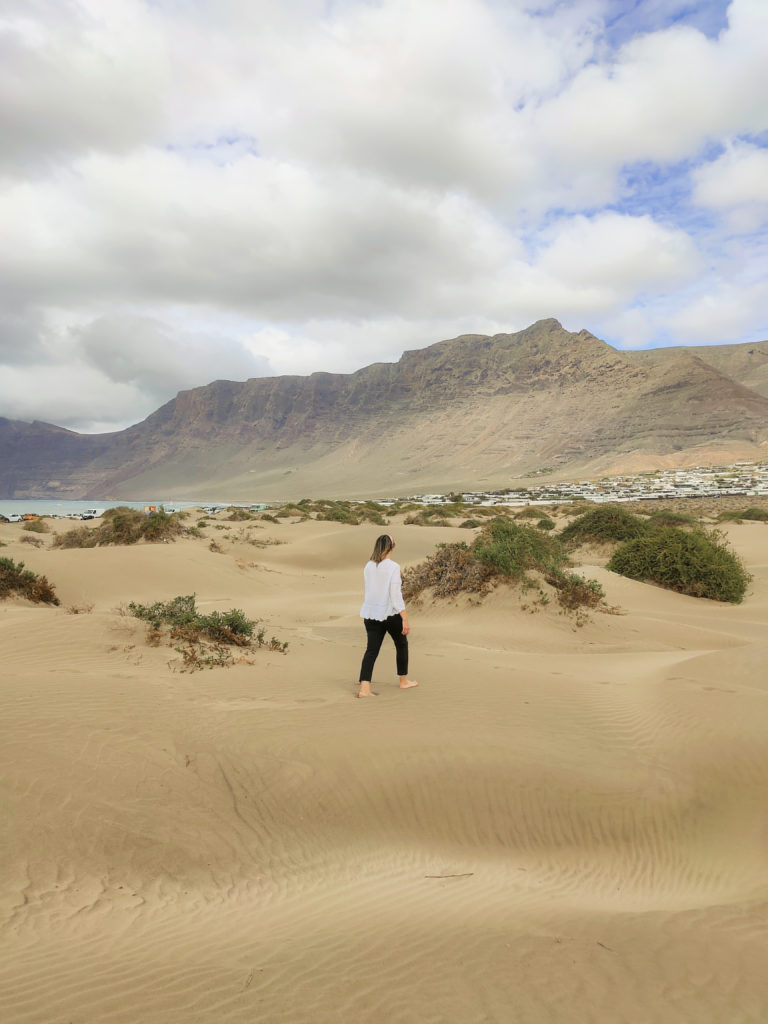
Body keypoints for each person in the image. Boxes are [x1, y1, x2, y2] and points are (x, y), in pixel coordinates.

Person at [357, 534, 419, 698]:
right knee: (401, 644)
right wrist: (404, 617)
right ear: (391, 547)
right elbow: (395, 594)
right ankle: (403, 681)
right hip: (389, 614)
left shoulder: (368, 566)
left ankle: (364, 689)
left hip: (371, 614)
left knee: (371, 650)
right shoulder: (393, 567)